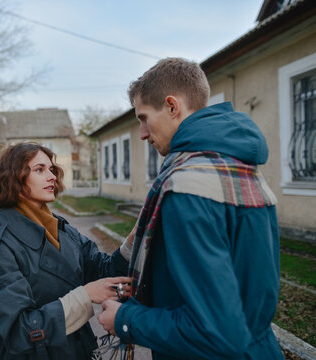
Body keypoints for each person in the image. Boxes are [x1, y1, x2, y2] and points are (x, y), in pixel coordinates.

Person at [98, 58, 283, 359]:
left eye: (144, 117)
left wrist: (124, 320)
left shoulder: (187, 186)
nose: (142, 133)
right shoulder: (238, 167)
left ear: (172, 107)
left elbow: (215, 330)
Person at [0, 142, 135, 359]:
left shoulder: (60, 228)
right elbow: (18, 330)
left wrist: (134, 240)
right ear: (14, 178)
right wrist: (84, 297)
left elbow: (103, 270)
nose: (52, 177)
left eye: (51, 169)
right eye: (39, 170)